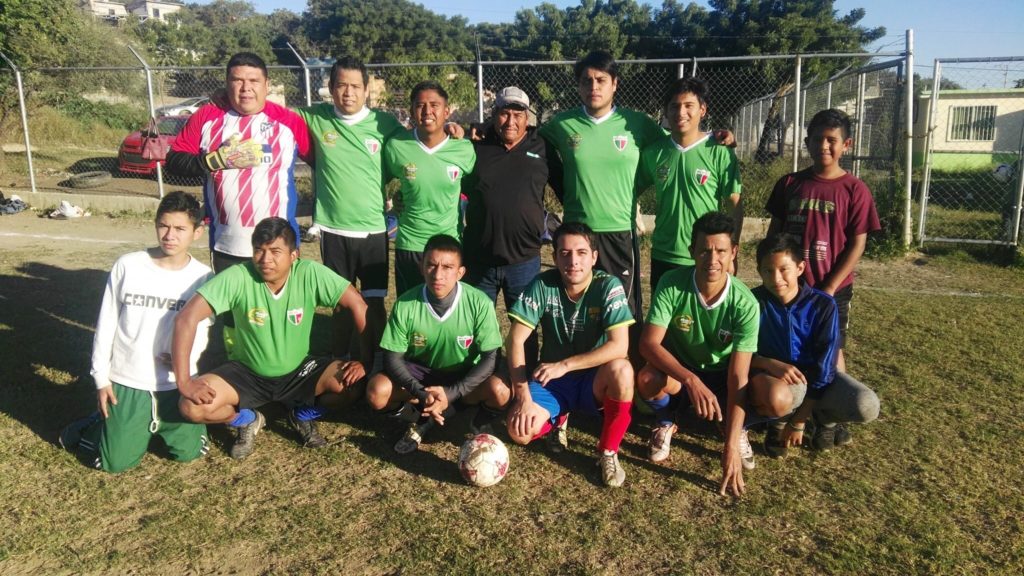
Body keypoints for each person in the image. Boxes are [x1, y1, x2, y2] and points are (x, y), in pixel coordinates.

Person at [171, 217, 371, 459]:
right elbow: (186, 318)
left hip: (300, 371)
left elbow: (358, 304)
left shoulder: (308, 273)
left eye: (275, 251)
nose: (265, 259)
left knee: (354, 384)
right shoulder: (239, 276)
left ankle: (301, 414)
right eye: (259, 250)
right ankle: (246, 419)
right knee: (190, 407)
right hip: (247, 373)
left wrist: (365, 361)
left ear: (294, 254)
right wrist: (184, 381)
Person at [59, 192, 213, 473]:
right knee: (114, 463)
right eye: (163, 226)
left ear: (197, 232)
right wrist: (101, 379)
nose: (169, 235)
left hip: (174, 382)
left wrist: (186, 364)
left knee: (189, 453)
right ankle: (99, 424)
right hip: (128, 380)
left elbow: (203, 328)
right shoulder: (128, 265)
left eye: (180, 229)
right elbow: (106, 323)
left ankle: (155, 426)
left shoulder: (203, 277)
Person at [495, 222, 635, 488]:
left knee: (623, 370)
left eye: (581, 253)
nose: (573, 261)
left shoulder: (609, 285)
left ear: (594, 257)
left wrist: (565, 365)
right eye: (565, 253)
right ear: (555, 257)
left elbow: (620, 346)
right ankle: (559, 417)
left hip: (593, 380)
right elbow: (515, 340)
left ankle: (608, 452)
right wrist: (523, 396)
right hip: (554, 382)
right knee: (519, 431)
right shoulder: (543, 283)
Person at [637, 212, 759, 497]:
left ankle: (734, 430)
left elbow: (738, 377)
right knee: (647, 378)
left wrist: (729, 449)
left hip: (722, 377)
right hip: (682, 374)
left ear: (734, 252)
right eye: (704, 250)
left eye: (721, 251)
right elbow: (648, 344)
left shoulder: (746, 304)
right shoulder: (671, 282)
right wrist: (691, 380)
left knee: (767, 395)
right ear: (692, 251)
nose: (712, 259)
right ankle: (666, 420)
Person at [538, 51, 665, 317]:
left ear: (615, 83)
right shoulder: (563, 123)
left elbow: (677, 143)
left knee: (623, 311)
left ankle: (625, 347)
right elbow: (525, 140)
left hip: (620, 231)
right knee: (580, 308)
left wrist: (715, 138)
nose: (593, 87)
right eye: (586, 81)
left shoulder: (636, 123)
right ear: (578, 86)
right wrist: (483, 131)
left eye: (601, 80)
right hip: (577, 233)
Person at [296, 57, 405, 361]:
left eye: (356, 86)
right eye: (342, 85)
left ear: (367, 89)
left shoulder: (385, 124)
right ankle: (339, 358)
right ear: (330, 88)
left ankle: (380, 360)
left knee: (374, 301)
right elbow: (276, 114)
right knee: (340, 302)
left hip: (373, 230)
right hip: (333, 229)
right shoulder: (315, 117)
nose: (348, 93)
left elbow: (414, 146)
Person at [166, 52, 311, 272]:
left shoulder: (289, 122)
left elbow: (324, 163)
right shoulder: (207, 116)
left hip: (279, 245)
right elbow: (174, 162)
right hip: (226, 245)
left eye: (254, 81)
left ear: (266, 85)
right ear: (227, 84)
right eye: (237, 80)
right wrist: (213, 160)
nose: (246, 88)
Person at [766, 107, 881, 379]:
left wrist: (829, 287)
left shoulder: (855, 190)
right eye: (817, 139)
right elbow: (774, 235)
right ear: (807, 142)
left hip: (833, 288)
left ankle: (835, 404)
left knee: (832, 348)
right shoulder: (790, 183)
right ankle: (790, 400)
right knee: (787, 343)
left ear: (846, 144)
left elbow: (857, 244)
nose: (824, 146)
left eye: (832, 140)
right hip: (790, 285)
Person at [366, 234, 504, 454]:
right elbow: (392, 358)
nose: (438, 274)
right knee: (377, 391)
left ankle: (478, 420)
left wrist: (452, 393)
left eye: (448, 267)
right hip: (420, 374)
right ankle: (419, 418)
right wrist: (421, 392)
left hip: (463, 373)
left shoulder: (479, 303)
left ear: (460, 272)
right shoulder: (405, 304)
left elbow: (491, 357)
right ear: (421, 267)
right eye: (431, 265)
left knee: (500, 390)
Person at [749, 233, 879, 456]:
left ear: (800, 268)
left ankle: (824, 418)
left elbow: (826, 363)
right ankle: (778, 423)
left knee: (866, 404)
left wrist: (800, 420)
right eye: (768, 271)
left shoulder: (823, 304)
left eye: (783, 269)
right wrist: (767, 363)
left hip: (816, 380)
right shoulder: (752, 301)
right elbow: (737, 352)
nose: (776, 278)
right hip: (776, 380)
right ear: (759, 271)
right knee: (790, 390)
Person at [461, 85, 547, 369]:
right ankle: (478, 382)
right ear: (494, 115)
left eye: (518, 114)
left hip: (524, 261)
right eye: (504, 113)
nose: (511, 121)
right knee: (475, 327)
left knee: (526, 329)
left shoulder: (542, 146)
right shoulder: (476, 147)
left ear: (527, 118)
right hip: (479, 259)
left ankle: (526, 380)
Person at [636, 77, 743, 291]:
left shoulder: (719, 151)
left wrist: (731, 251)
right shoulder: (654, 152)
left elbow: (735, 205)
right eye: (674, 106)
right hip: (664, 252)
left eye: (688, 105)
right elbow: (629, 189)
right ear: (666, 111)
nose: (681, 112)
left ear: (702, 110)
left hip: (707, 254)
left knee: (704, 311)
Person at [383, 81, 476, 295]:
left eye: (434, 105)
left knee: (445, 308)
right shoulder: (397, 147)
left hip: (448, 245)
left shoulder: (463, 149)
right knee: (410, 307)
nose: (427, 111)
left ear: (447, 111)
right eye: (420, 105)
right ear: (411, 111)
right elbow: (378, 179)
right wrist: (394, 198)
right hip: (410, 244)